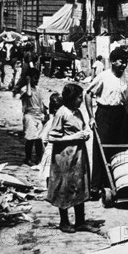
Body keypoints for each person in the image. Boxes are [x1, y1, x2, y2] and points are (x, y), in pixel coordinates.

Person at [85, 47, 128, 198]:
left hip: (122, 114)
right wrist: (91, 117)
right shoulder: (103, 76)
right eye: (121, 62)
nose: (124, 65)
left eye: (125, 62)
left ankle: (117, 182)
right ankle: (96, 186)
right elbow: (88, 94)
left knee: (121, 149)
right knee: (101, 148)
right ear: (113, 62)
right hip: (104, 113)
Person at [46, 84, 98, 233]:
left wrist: (84, 134)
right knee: (64, 188)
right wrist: (74, 137)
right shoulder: (62, 113)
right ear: (71, 98)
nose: (81, 100)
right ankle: (64, 222)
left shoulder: (78, 112)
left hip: (78, 156)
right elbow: (52, 137)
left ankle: (80, 221)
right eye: (79, 97)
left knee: (79, 186)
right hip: (64, 158)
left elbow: (80, 129)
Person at [20, 68, 46, 166]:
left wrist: (44, 112)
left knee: (39, 139)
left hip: (38, 115)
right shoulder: (24, 90)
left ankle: (39, 158)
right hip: (29, 116)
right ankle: (28, 158)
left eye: (37, 78)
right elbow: (29, 95)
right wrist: (28, 82)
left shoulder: (38, 89)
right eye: (35, 78)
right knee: (30, 138)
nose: (37, 80)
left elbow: (40, 103)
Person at [38, 93, 63, 185]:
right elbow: (43, 139)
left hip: (58, 150)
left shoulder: (59, 120)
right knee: (49, 173)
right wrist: (47, 151)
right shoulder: (51, 122)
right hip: (51, 150)